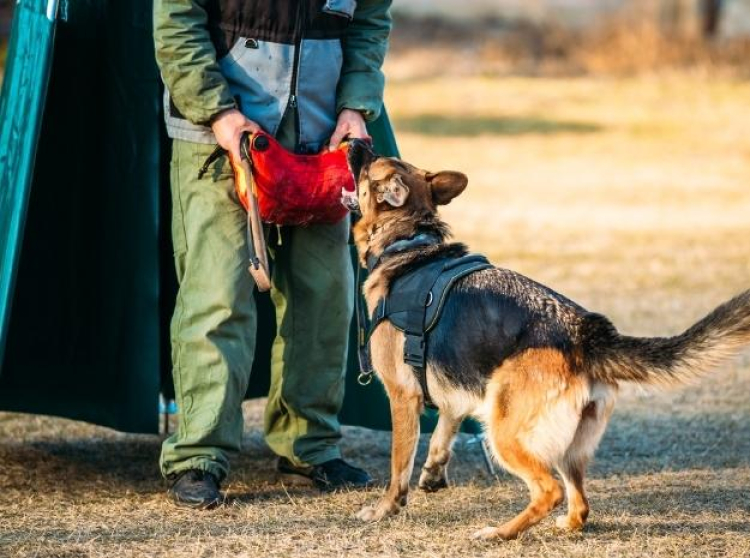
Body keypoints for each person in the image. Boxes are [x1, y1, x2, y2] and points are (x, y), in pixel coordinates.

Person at [153, 0, 392, 509]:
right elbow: (175, 19)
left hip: (324, 135)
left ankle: (310, 446)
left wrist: (355, 106)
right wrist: (217, 111)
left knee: (325, 296)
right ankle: (198, 455)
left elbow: (370, 22)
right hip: (218, 137)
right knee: (217, 295)